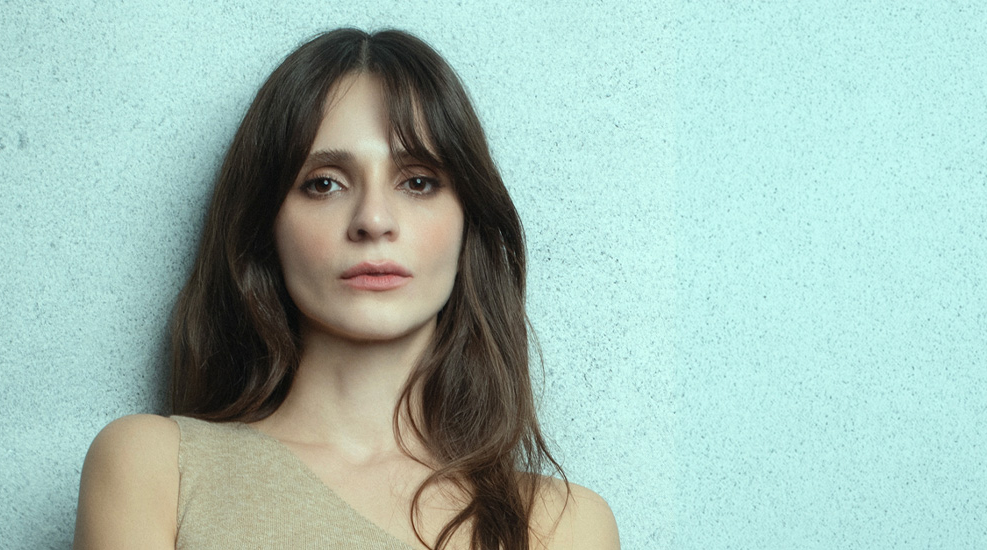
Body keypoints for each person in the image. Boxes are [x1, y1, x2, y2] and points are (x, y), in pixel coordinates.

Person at [73, 28, 619, 550]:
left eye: (418, 182)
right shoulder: (157, 468)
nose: (374, 220)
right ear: (265, 226)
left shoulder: (563, 525)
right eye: (325, 183)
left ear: (467, 223)